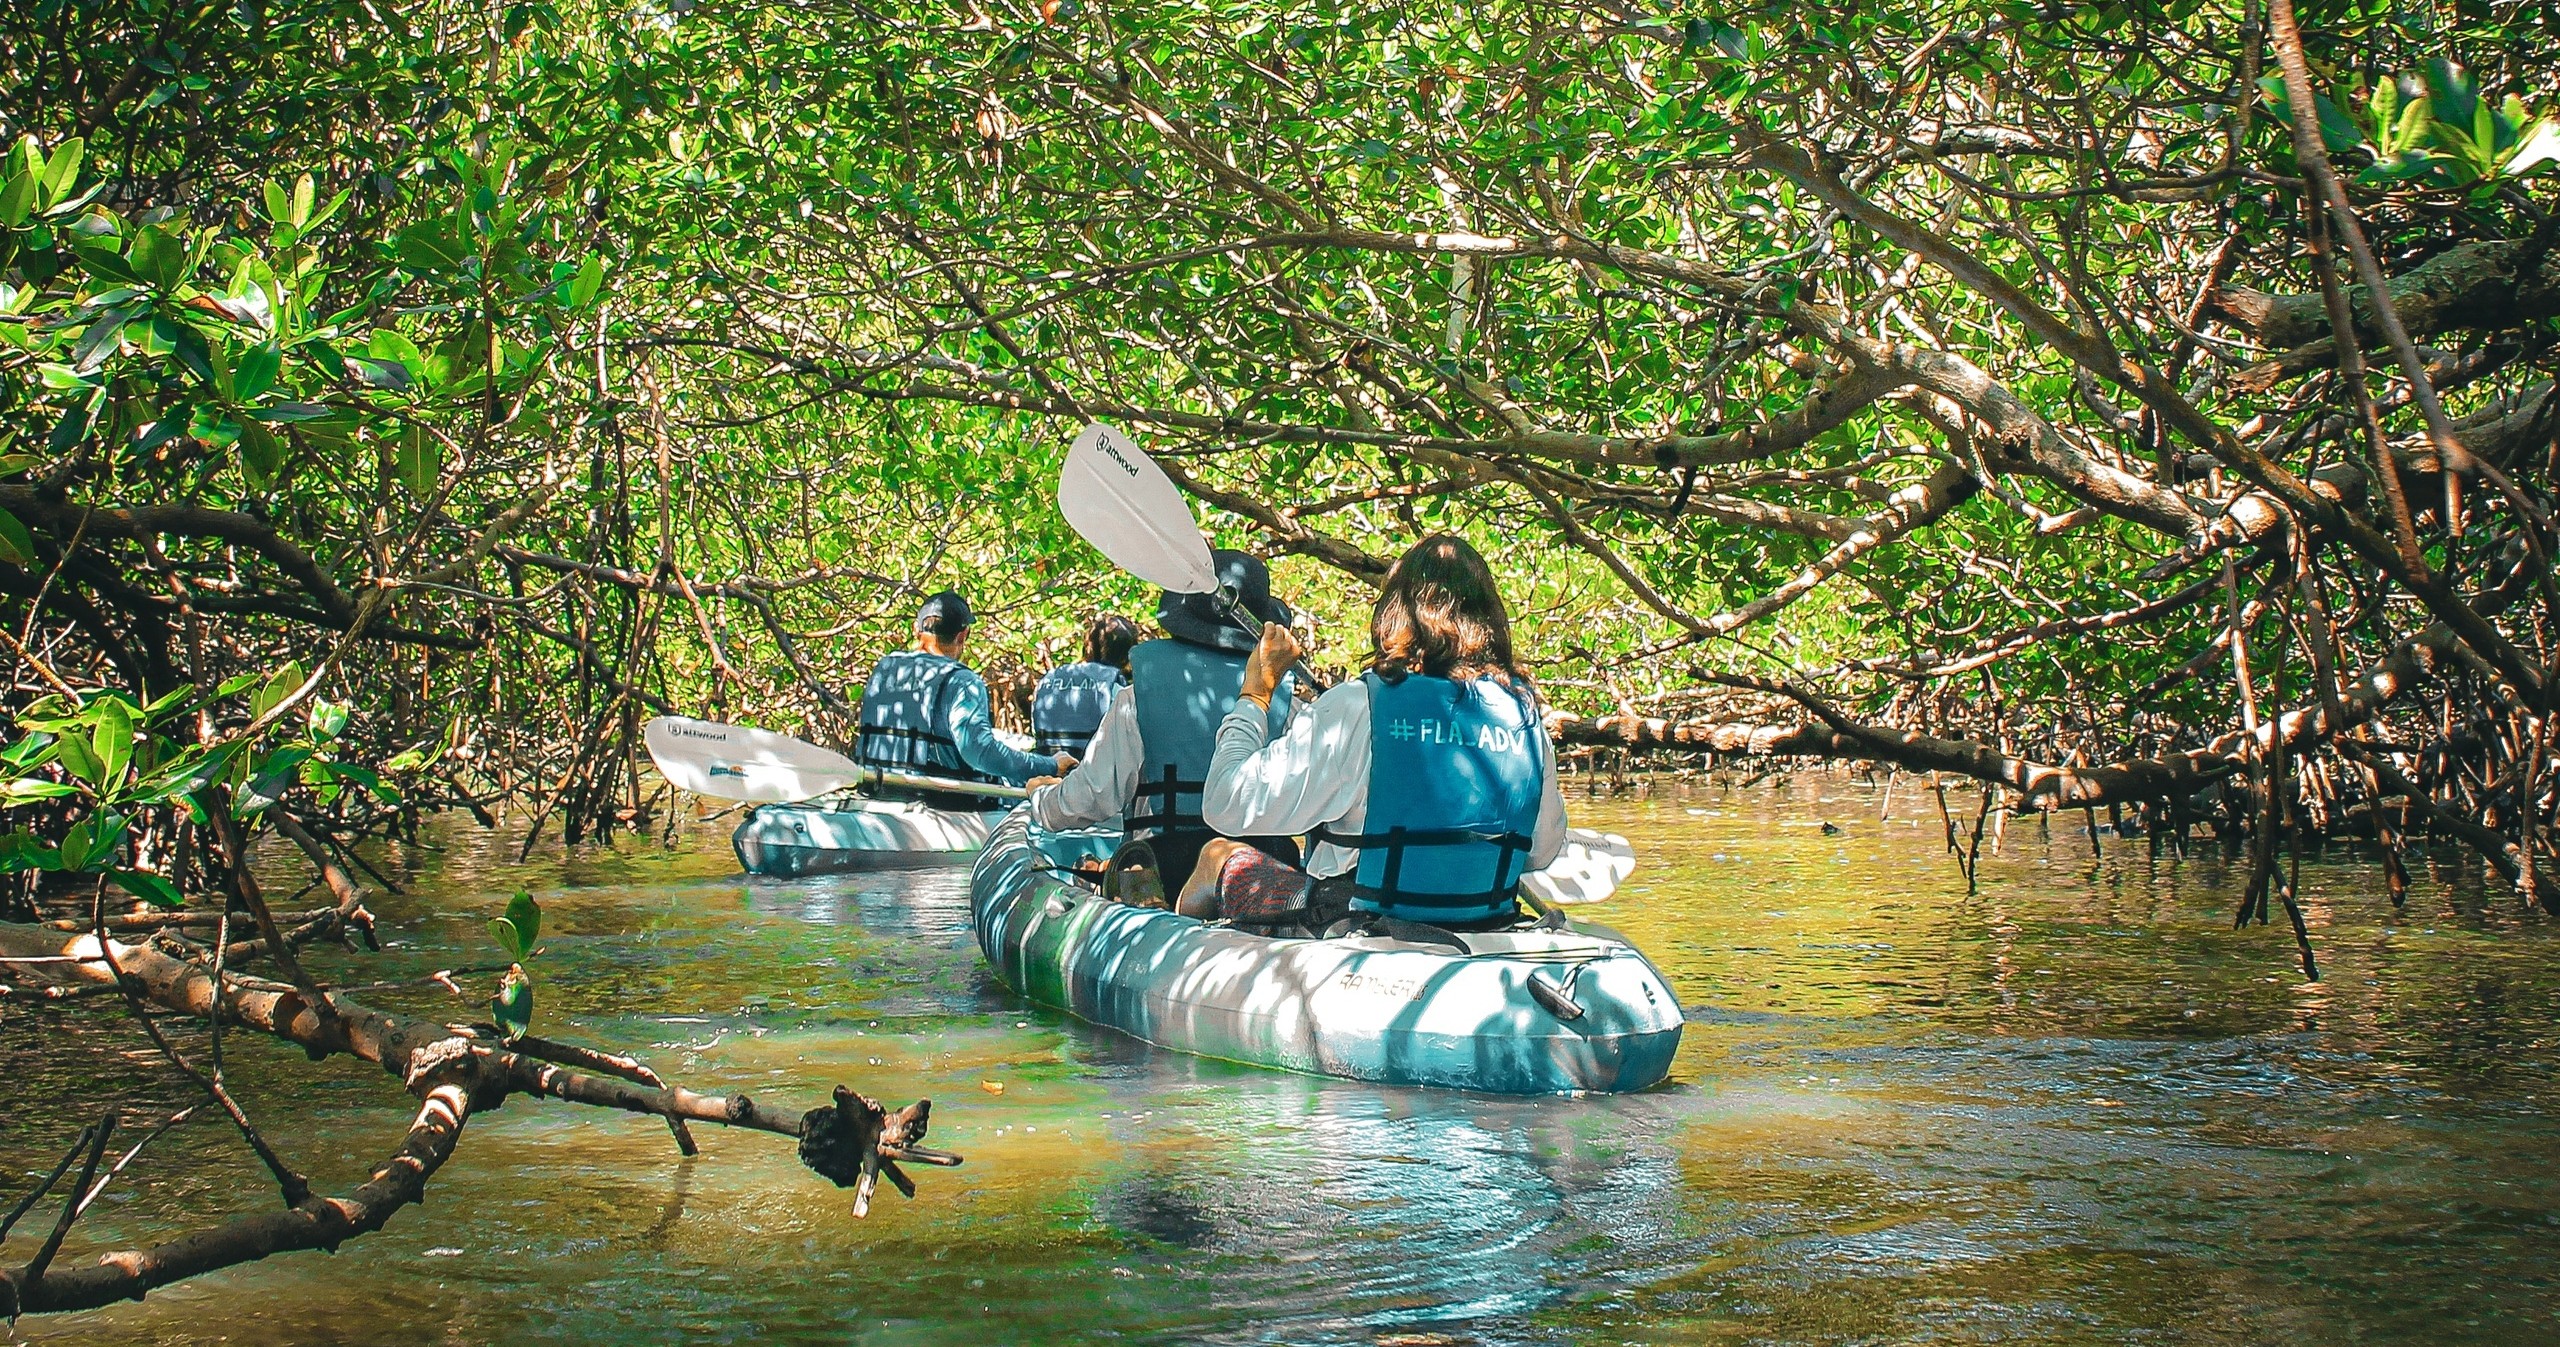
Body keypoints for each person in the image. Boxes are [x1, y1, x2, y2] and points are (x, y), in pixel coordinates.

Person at [1182, 534, 1566, 935]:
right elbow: (1540, 853)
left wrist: (1257, 692)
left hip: (1359, 928)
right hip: (1486, 926)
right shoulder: (1526, 720)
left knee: (1216, 853)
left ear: (1393, 615)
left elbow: (1224, 802)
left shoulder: (1355, 706)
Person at [1026, 550, 1300, 888]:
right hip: (1265, 871)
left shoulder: (1135, 700)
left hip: (1162, 867)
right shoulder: (1291, 707)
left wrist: (1041, 798)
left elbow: (1091, 798)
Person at [854, 589, 1069, 808]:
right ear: (962, 635)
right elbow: (980, 753)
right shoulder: (963, 681)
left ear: (916, 630)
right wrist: (1049, 765)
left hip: (879, 792)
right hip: (941, 801)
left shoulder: (885, 668)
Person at [1031, 613, 1141, 761]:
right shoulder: (1116, 687)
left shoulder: (1048, 679)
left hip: (1048, 768)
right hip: (1093, 774)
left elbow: (1036, 732)